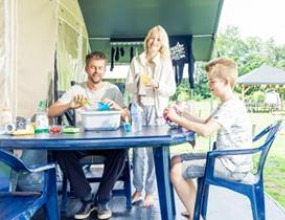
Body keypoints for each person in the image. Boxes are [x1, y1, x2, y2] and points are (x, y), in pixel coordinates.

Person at [164, 58, 253, 220]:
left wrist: (176, 119)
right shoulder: (226, 103)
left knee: (176, 170)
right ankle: (194, 206)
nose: (209, 86)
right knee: (176, 159)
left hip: (231, 166)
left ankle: (196, 215)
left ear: (226, 82)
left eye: (212, 82)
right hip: (226, 159)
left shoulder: (231, 107)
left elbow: (205, 131)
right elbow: (205, 122)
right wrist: (182, 113)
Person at [48, 51, 130, 220]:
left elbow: (127, 116)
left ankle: (102, 199)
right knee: (61, 152)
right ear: (86, 68)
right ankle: (85, 198)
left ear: (104, 70)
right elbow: (50, 111)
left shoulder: (113, 90)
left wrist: (118, 108)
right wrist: (69, 104)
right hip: (81, 142)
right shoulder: (77, 89)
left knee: (121, 150)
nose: (96, 71)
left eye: (100, 68)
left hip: (108, 143)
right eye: (93, 67)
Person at [125, 25, 176, 207]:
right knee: (138, 152)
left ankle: (150, 192)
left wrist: (157, 84)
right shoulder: (136, 61)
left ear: (163, 43)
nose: (154, 41)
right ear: (147, 39)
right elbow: (128, 86)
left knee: (153, 152)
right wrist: (138, 82)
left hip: (156, 110)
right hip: (139, 109)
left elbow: (171, 89)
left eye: (158, 39)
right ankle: (138, 189)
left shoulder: (166, 63)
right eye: (152, 38)